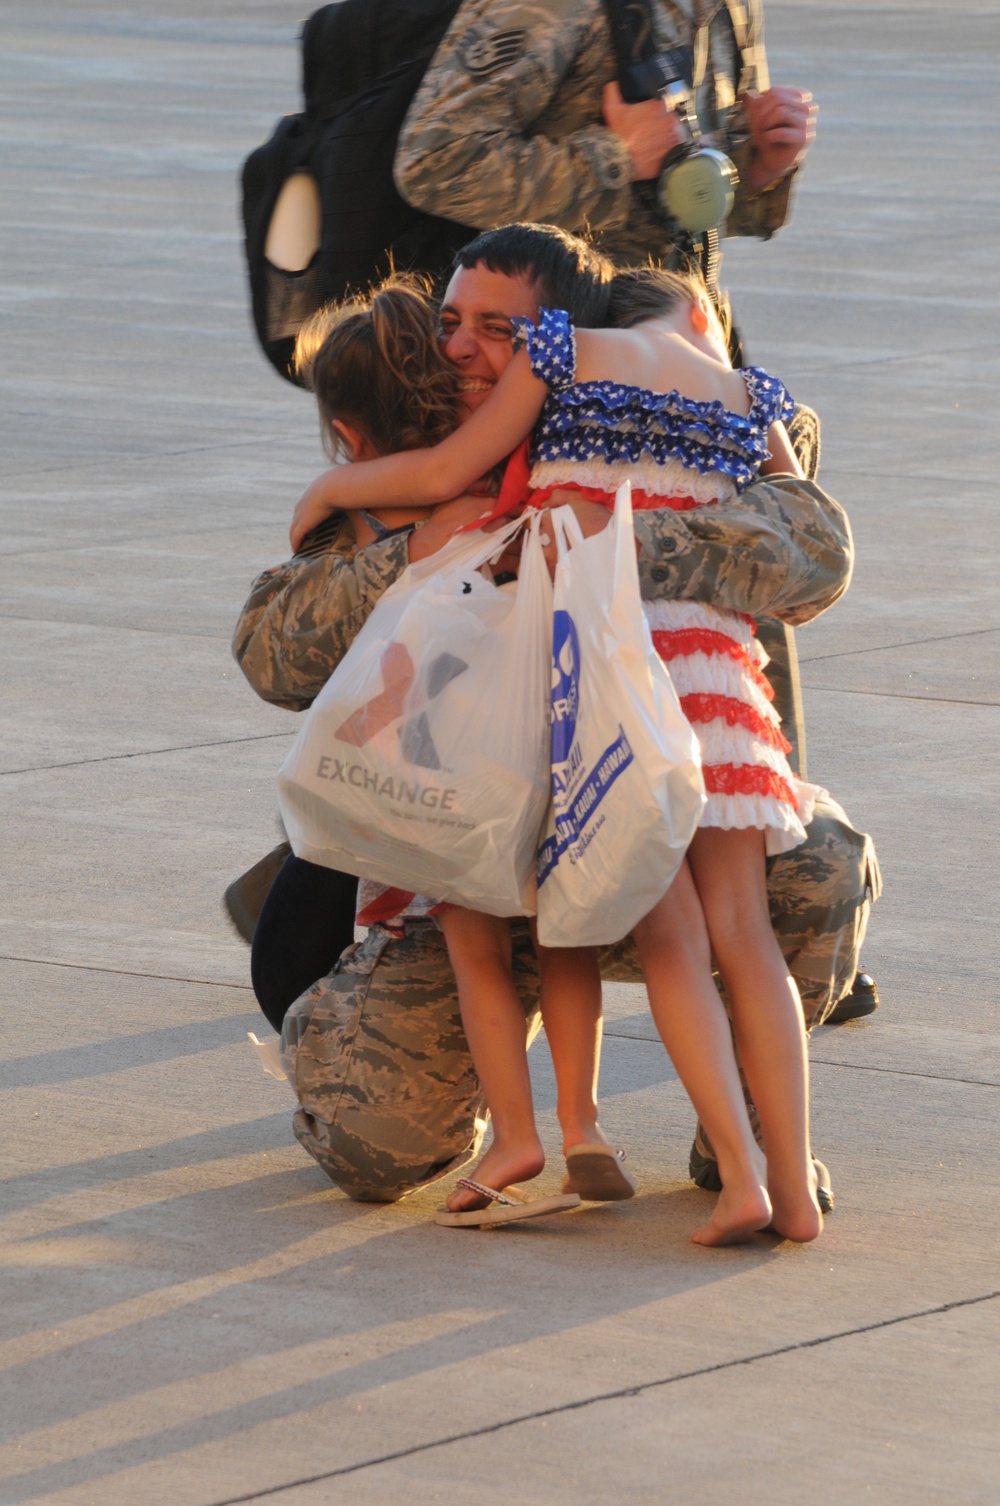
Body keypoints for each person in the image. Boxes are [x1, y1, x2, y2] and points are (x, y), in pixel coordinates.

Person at [233, 225, 877, 1205]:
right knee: (375, 1143)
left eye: (498, 330)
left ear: (567, 345)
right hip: (476, 869)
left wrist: (596, 539)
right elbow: (269, 649)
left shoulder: (671, 418)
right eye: (449, 322)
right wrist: (417, 557)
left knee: (819, 865)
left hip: (646, 821)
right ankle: (350, 1032)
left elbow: (814, 549)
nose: (458, 351)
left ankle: (749, 1136)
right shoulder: (416, 461)